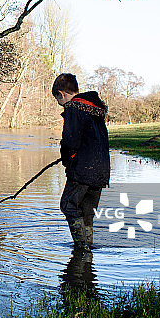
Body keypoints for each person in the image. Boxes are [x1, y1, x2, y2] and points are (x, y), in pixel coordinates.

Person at [52, 73, 110, 250]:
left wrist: (67, 159)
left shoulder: (73, 109)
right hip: (101, 171)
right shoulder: (95, 110)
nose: (59, 105)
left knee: (68, 205)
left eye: (57, 100)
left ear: (61, 94)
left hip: (83, 169)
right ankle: (87, 250)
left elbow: (71, 141)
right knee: (87, 212)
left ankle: (81, 247)